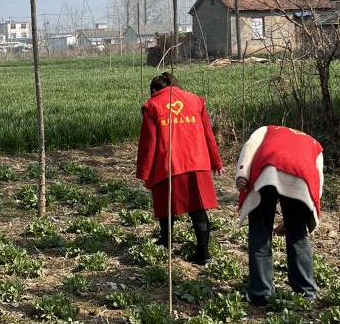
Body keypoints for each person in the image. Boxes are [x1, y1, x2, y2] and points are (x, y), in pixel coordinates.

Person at [136, 72, 223, 265]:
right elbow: (208, 134)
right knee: (198, 209)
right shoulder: (195, 100)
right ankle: (203, 253)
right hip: (197, 162)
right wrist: (216, 161)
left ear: (154, 90)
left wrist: (144, 172)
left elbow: (148, 143)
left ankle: (166, 242)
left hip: (168, 164)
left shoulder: (153, 105)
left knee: (166, 207)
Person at [236, 125, 324, 306]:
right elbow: (318, 180)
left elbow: (250, 147)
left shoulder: (266, 130)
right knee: (298, 233)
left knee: (260, 231)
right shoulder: (313, 143)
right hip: (301, 180)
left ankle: (261, 293)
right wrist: (305, 213)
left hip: (266, 173)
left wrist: (242, 173)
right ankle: (306, 291)